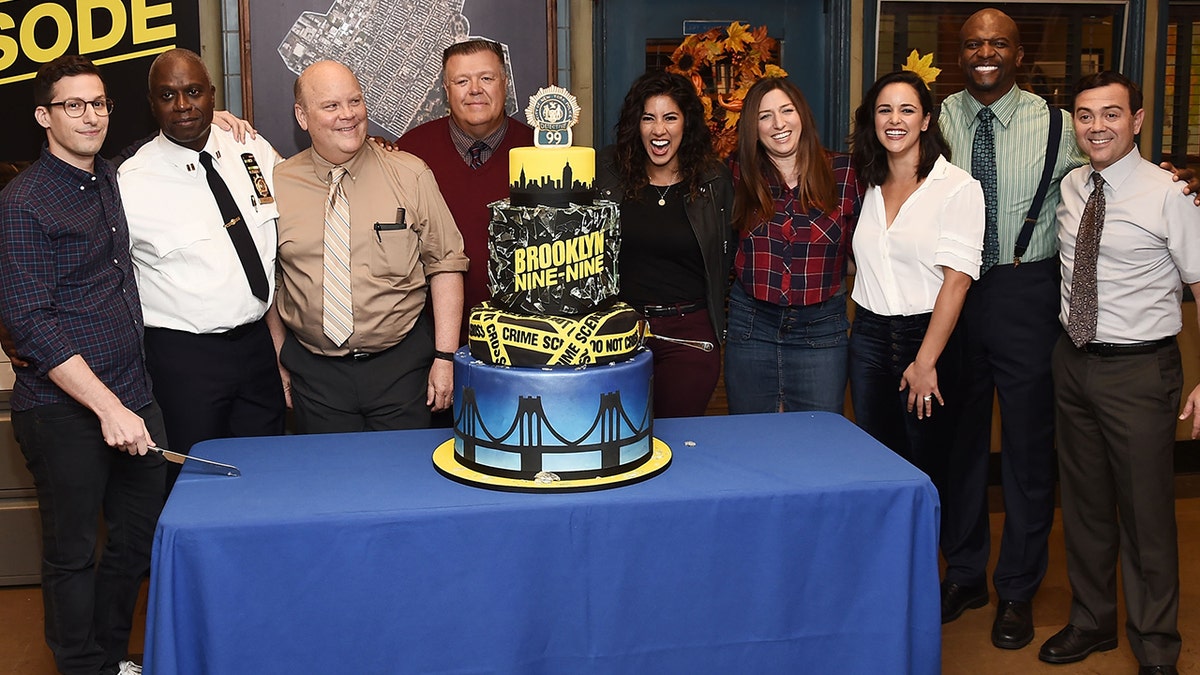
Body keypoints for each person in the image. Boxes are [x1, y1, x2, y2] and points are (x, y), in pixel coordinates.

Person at [937, 8, 1200, 650]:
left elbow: (1126, 180)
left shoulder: (1061, 126)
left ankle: (1018, 592)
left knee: (1029, 458)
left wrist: (1173, 180)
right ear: (959, 53)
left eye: (999, 42)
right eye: (973, 43)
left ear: (1020, 53)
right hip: (950, 298)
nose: (986, 52)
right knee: (960, 450)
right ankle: (966, 574)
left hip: (1030, 298)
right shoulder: (937, 116)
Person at [0, 55, 165, 675]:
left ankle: (110, 658)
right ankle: (80, 666)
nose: (90, 115)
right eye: (73, 105)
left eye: (98, 103)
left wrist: (224, 121)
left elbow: (164, 146)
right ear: (44, 116)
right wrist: (109, 408)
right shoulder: (22, 203)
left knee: (133, 542)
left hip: (132, 394)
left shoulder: (111, 178)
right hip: (65, 412)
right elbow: (29, 322)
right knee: (72, 554)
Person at [1040, 71, 1199, 675]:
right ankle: (1092, 622)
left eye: (1111, 114)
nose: (1097, 125)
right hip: (1073, 360)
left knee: (1146, 514)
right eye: (1084, 115)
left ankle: (1156, 643)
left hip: (1139, 370)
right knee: (1083, 506)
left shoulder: (1169, 194)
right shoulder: (1074, 185)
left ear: (1136, 120)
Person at [117, 48, 286, 491]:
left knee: (265, 472)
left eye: (193, 92)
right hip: (181, 359)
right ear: (151, 104)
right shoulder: (131, 182)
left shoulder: (252, 147)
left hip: (256, 348)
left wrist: (370, 152)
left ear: (213, 95)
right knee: (191, 481)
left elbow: (308, 190)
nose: (182, 105)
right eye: (167, 95)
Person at [272, 60, 468, 433]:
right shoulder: (277, 183)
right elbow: (272, 280)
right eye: (331, 106)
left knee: (404, 481)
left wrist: (445, 358)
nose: (347, 115)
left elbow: (445, 264)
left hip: (400, 369)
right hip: (315, 376)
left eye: (355, 102)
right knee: (331, 483)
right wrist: (281, 357)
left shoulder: (410, 174)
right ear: (302, 116)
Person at [847, 70, 983, 483]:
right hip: (868, 337)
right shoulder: (863, 184)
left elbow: (957, 282)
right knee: (875, 462)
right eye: (884, 109)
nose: (895, 119)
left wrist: (925, 361)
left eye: (907, 110)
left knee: (924, 467)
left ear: (926, 120)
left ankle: (921, 550)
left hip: (927, 339)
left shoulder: (957, 188)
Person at [594, 70, 735, 418]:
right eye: (648, 118)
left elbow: (728, 256)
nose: (659, 130)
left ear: (686, 124)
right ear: (635, 125)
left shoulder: (714, 180)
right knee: (619, 438)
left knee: (680, 441)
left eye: (670, 117)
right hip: (619, 330)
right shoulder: (607, 171)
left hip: (690, 334)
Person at [725, 76, 863, 414]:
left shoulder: (845, 173)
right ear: (752, 128)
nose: (778, 124)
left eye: (786, 110)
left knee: (818, 441)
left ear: (802, 115)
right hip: (751, 325)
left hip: (821, 329)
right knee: (750, 438)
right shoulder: (736, 174)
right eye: (764, 116)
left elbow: (865, 253)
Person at [395, 39, 534, 343]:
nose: (475, 89)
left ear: (505, 84)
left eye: (486, 78)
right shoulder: (410, 151)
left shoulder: (539, 151)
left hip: (524, 338)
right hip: (429, 340)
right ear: (446, 89)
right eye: (462, 80)